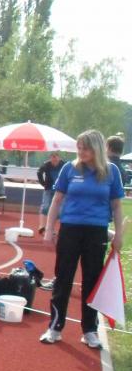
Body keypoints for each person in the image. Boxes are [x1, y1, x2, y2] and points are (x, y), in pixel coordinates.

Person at [40, 130, 125, 349]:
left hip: (96, 232)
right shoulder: (69, 169)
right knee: (63, 278)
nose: (81, 151)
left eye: (85, 148)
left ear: (96, 148)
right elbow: (57, 200)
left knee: (91, 281)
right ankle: (55, 327)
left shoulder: (111, 171)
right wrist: (49, 230)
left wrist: (119, 235)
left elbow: (117, 206)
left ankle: (89, 330)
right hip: (70, 229)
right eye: (79, 147)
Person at [36, 151, 64, 234]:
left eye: (56, 156)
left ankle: (52, 228)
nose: (54, 158)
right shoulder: (46, 165)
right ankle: (42, 226)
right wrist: (43, 183)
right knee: (45, 206)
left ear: (59, 157)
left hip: (59, 190)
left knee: (58, 210)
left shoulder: (63, 165)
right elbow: (39, 172)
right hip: (48, 189)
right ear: (50, 158)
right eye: (52, 156)